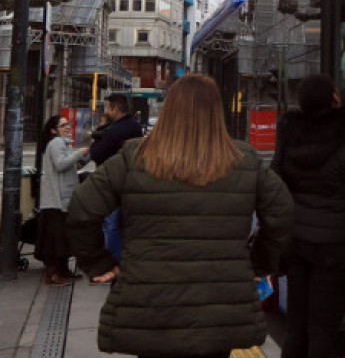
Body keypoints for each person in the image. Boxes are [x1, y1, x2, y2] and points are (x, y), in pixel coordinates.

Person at [66, 74, 294, 358]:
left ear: (169, 110)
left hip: (150, 304)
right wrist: (259, 262)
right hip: (219, 306)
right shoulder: (243, 159)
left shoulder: (134, 157)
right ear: (216, 112)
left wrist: (98, 262)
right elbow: (282, 213)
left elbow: (80, 209)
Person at [272, 73, 345, 358]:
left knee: (297, 327)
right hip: (338, 247)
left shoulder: (290, 134)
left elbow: (275, 182)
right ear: (333, 99)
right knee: (323, 331)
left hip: (297, 244)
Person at [88, 93, 143, 261]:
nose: (107, 112)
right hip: (132, 180)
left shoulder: (115, 130)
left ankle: (113, 261)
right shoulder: (134, 126)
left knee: (111, 224)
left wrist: (95, 142)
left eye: (108, 108)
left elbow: (97, 154)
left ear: (115, 108)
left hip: (113, 182)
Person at [36, 116, 89, 285]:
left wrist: (80, 160)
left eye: (68, 124)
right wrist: (78, 154)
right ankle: (53, 273)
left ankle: (63, 270)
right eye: (63, 125)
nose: (67, 127)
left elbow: (66, 166)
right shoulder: (57, 143)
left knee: (62, 237)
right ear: (54, 130)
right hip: (57, 200)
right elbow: (60, 164)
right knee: (56, 238)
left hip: (61, 198)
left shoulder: (62, 143)